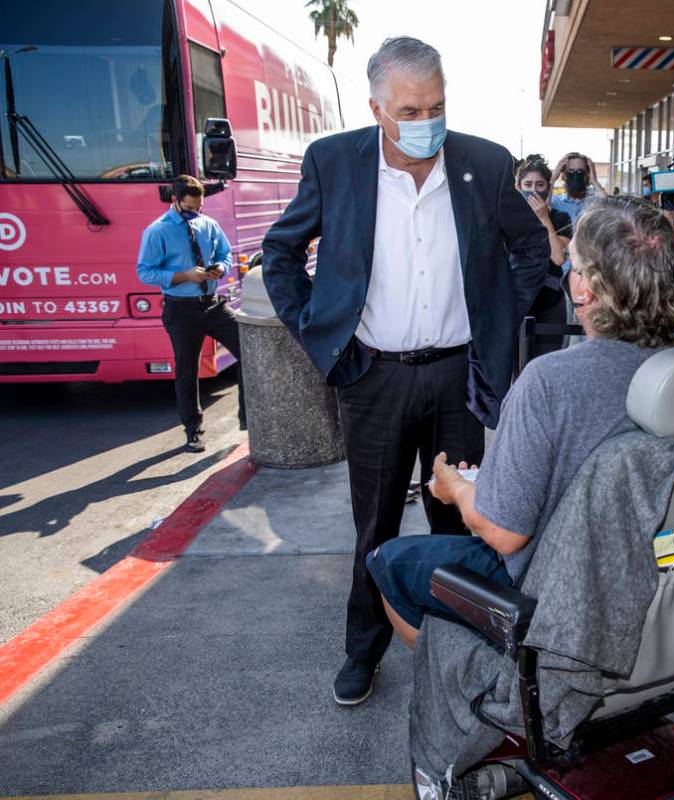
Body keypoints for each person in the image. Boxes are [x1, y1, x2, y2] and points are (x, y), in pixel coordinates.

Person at [261, 36, 549, 707]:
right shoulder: (334, 163)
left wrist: (497, 320)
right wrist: (320, 337)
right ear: (377, 108)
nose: (427, 121)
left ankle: (461, 654)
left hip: (459, 378)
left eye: (438, 105)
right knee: (376, 525)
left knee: (461, 522)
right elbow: (280, 252)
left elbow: (529, 246)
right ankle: (363, 652)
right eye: (411, 109)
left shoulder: (483, 161)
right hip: (375, 378)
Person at [365, 195, 674, 650]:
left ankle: (478, 686)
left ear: (584, 291)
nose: (566, 272)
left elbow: (504, 533)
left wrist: (454, 488)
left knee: (387, 560)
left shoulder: (551, 380)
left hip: (563, 588)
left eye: (572, 264)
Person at [136, 174, 245, 452]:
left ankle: (249, 417)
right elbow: (144, 272)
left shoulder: (208, 224)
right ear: (175, 201)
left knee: (249, 352)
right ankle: (193, 430)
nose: (195, 213)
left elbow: (225, 253)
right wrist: (182, 276)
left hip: (212, 303)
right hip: (180, 308)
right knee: (187, 369)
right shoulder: (157, 231)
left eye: (199, 207)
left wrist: (220, 267)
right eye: (189, 208)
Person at [516, 154, 572, 356]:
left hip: (549, 302)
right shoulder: (508, 217)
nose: (533, 190)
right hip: (516, 300)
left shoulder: (560, 217)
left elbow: (558, 257)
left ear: (548, 187)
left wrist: (543, 218)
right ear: (518, 186)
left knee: (546, 360)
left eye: (539, 184)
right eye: (528, 184)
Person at [550, 151, 606, 230]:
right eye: (570, 172)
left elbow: (612, 211)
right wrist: (552, 179)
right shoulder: (555, 201)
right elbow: (542, 211)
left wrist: (594, 182)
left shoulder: (595, 201)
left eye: (580, 172)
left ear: (587, 175)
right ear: (563, 176)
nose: (575, 176)